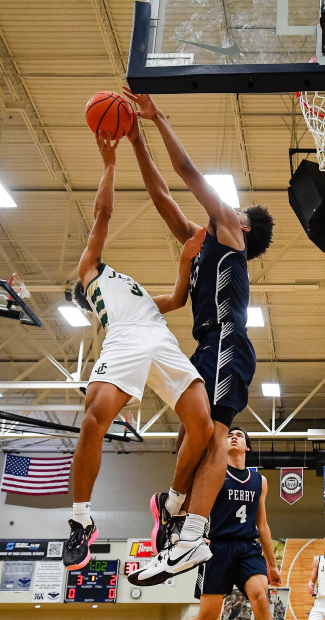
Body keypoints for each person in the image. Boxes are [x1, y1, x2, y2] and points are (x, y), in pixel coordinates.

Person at [122, 89, 275, 585]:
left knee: (209, 436)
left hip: (228, 341)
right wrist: (136, 139)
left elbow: (187, 172)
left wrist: (157, 116)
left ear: (244, 227)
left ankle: (190, 531)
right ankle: (175, 512)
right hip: (206, 345)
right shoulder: (202, 243)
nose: (222, 207)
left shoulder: (230, 231)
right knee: (188, 435)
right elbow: (162, 196)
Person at [61, 127, 216, 576]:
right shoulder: (90, 272)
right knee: (94, 417)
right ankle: (81, 519)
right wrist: (109, 164)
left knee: (202, 425)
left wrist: (186, 261)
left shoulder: (133, 288)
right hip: (127, 338)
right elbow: (104, 213)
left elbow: (178, 300)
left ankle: (171, 505)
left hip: (158, 335)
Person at [145, 427, 288, 620]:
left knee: (261, 599)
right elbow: (194, 507)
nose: (234, 436)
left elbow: (263, 525)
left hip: (247, 548)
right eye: (230, 434)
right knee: (206, 619)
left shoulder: (260, 481)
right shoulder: (213, 472)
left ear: (247, 447)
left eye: (240, 435)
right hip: (217, 548)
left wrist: (272, 564)